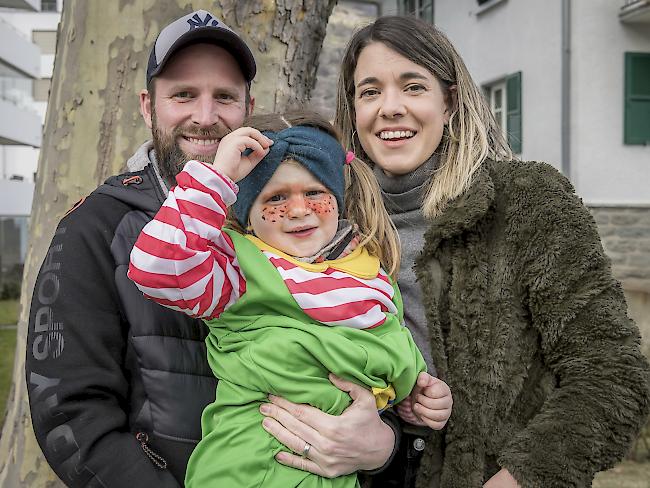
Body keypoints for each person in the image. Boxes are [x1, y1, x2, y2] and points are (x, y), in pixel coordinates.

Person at [257, 15, 650, 488]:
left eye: (413, 86)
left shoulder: (525, 202)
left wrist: (519, 478)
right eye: (370, 91)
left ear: (450, 102)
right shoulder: (325, 221)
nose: (390, 107)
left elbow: (612, 375)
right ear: (353, 112)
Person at [25, 11, 399, 487]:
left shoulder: (300, 222)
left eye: (224, 97)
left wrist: (380, 444)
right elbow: (70, 414)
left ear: (249, 105)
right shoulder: (98, 225)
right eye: (183, 95)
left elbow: (366, 350)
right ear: (147, 106)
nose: (205, 117)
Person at [128, 111, 452, 487]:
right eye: (276, 197)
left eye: (314, 193)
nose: (299, 211)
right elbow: (155, 267)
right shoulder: (237, 267)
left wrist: (416, 396)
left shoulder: (370, 267)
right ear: (248, 214)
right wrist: (216, 179)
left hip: (336, 474)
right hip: (251, 468)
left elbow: (389, 346)